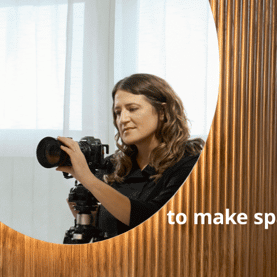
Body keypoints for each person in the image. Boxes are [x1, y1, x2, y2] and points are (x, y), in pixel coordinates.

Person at [57, 73, 204, 238]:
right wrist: (87, 219)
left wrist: (87, 178)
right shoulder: (111, 166)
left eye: (132, 109)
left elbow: (153, 220)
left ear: (162, 111)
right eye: (118, 112)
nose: (123, 119)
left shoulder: (190, 164)